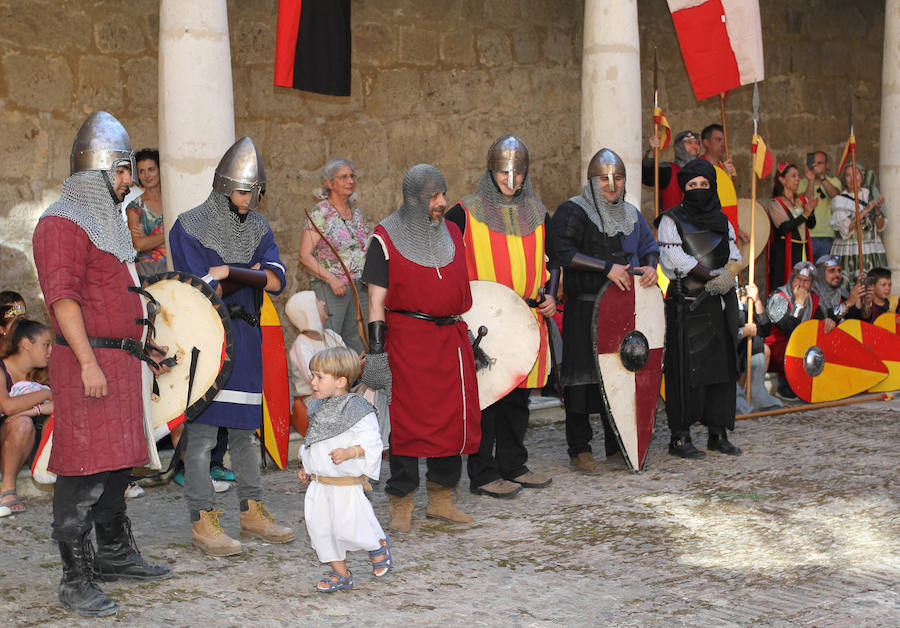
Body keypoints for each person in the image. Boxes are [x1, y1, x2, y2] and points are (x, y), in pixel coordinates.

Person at [32, 111, 171, 617]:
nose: (128, 180)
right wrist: (89, 363)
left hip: (119, 361)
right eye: (121, 171)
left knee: (117, 465)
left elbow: (116, 299)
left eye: (128, 170)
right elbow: (63, 300)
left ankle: (114, 554)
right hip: (88, 365)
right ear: (95, 171)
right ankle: (75, 577)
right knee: (83, 466)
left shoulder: (108, 225)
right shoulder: (60, 223)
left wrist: (143, 346)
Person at [169, 136, 294, 556]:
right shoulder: (188, 226)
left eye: (255, 192)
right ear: (223, 186)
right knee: (202, 437)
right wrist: (247, 273)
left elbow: (277, 281)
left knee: (246, 434)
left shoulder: (258, 227)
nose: (250, 200)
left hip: (248, 335)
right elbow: (203, 289)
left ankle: (251, 510)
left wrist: (228, 269)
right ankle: (202, 520)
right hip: (210, 340)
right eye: (244, 191)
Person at [360, 164, 481, 532]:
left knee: (450, 420)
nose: (441, 202)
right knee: (407, 423)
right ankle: (402, 500)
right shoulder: (386, 237)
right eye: (433, 197)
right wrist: (378, 354)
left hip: (450, 340)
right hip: (408, 340)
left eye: (442, 194)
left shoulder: (454, 232)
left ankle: (442, 498)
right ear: (414, 198)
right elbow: (376, 302)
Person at [445, 135, 556, 498]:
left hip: (525, 317)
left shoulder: (539, 213)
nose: (511, 180)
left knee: (518, 396)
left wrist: (551, 296)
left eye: (518, 173)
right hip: (484, 320)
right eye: (504, 172)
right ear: (491, 173)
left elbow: (554, 263)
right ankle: (483, 472)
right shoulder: (464, 212)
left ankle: (513, 463)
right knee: (488, 398)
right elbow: (442, 258)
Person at [551, 148, 659, 473]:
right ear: (592, 181)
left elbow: (649, 248)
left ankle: (619, 443)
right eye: (604, 178)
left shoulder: (631, 214)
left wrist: (651, 268)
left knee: (621, 377)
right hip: (584, 309)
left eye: (618, 178)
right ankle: (579, 449)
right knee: (581, 380)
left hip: (622, 313)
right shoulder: (573, 211)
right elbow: (562, 252)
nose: (611, 184)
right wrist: (605, 267)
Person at [657, 158, 742, 458]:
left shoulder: (723, 221)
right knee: (685, 371)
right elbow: (674, 261)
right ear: (684, 188)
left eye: (704, 185)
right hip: (688, 306)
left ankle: (717, 433)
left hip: (719, 305)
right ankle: (680, 438)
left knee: (722, 369)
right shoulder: (671, 220)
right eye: (692, 185)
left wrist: (729, 274)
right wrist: (710, 277)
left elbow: (734, 254)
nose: (698, 190)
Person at [297, 346, 391, 593]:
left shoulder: (356, 407)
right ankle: (341, 574)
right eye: (313, 375)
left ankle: (376, 544)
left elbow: (372, 441)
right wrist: (307, 466)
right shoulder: (317, 407)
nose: (313, 382)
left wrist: (350, 452)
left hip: (344, 485)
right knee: (319, 530)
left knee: (351, 526)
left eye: (319, 377)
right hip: (319, 485)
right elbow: (313, 440)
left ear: (340, 381)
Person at [299, 158, 370, 354]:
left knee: (360, 341)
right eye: (344, 177)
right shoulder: (320, 213)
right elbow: (305, 255)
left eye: (352, 176)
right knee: (331, 339)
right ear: (329, 183)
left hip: (360, 287)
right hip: (332, 288)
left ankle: (356, 383)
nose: (350, 181)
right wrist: (331, 279)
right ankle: (331, 382)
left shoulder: (356, 214)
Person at [0, 319, 53, 515]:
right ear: (26, 344)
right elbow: (8, 406)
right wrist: (45, 395)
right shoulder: (1, 369)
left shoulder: (43, 372)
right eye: (46, 345)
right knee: (22, 423)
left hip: (30, 443)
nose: (50, 352)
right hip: (6, 439)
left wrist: (33, 410)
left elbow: (62, 404)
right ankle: (7, 489)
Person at [765, 261, 827, 398]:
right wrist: (798, 305)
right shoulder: (778, 297)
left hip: (801, 349)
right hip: (778, 350)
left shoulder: (813, 299)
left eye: (806, 281)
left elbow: (818, 326)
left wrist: (828, 321)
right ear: (792, 279)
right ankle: (785, 386)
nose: (801, 284)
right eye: (798, 279)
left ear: (811, 284)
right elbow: (789, 330)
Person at [830, 164, 887, 289]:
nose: (852, 179)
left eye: (856, 174)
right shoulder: (839, 200)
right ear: (844, 179)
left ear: (862, 176)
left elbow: (881, 226)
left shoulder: (871, 196)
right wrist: (866, 210)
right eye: (848, 175)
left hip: (871, 250)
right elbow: (846, 228)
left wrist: (877, 211)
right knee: (851, 288)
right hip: (849, 251)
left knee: (872, 288)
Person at [767, 162, 819, 294]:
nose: (797, 179)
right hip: (784, 254)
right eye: (793, 176)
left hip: (802, 251)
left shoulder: (800, 200)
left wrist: (810, 212)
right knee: (785, 286)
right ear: (782, 180)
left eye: (798, 176)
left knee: (804, 284)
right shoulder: (776, 203)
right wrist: (805, 215)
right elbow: (783, 228)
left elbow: (811, 224)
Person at [734, 284, 782, 414]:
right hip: (726, 353)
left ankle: (755, 393)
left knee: (761, 348)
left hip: (745, 351)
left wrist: (757, 301)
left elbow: (765, 330)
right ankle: (735, 396)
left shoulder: (746, 304)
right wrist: (743, 331)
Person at [700, 123, 747, 241]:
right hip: (711, 230)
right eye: (718, 140)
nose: (723, 144)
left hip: (729, 227)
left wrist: (737, 228)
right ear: (706, 142)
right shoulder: (700, 166)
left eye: (724, 140)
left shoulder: (724, 166)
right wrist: (722, 176)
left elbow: (727, 200)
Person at [126, 148, 167, 278]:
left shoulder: (172, 200)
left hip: (177, 264)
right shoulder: (135, 206)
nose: (147, 175)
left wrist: (149, 239)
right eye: (142, 171)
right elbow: (139, 245)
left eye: (151, 169)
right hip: (148, 271)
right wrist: (168, 237)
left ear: (160, 170)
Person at [642, 129, 701, 212]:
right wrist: (652, 152)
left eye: (697, 143)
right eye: (689, 142)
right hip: (672, 223)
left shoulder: (704, 171)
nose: (695, 146)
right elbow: (646, 176)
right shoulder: (668, 170)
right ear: (679, 146)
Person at [798, 151, 842, 261]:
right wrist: (811, 181)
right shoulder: (802, 183)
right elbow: (806, 202)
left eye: (820, 163)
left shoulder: (834, 181)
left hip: (827, 235)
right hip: (807, 236)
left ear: (827, 165)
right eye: (814, 163)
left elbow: (835, 196)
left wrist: (822, 177)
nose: (816, 166)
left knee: (825, 273)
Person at [813, 254, 864, 323]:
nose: (837, 274)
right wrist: (847, 304)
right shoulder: (812, 295)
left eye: (839, 271)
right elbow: (827, 320)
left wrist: (866, 303)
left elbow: (856, 320)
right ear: (820, 273)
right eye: (832, 271)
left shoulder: (842, 294)